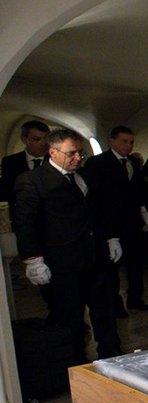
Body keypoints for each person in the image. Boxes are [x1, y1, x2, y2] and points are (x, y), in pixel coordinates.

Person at [13, 128, 123, 361]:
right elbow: (25, 224)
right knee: (70, 317)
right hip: (63, 263)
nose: (77, 158)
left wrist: (111, 237)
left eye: (80, 153)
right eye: (71, 153)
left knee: (105, 310)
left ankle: (112, 356)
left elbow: (101, 211)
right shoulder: (33, 181)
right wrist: (33, 260)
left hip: (96, 257)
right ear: (52, 152)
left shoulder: (87, 176)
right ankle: (76, 365)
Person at [85, 126, 148, 313]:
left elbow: (138, 190)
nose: (128, 145)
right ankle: (114, 304)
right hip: (111, 224)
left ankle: (135, 298)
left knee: (135, 264)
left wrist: (144, 211)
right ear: (111, 141)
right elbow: (98, 198)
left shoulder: (132, 162)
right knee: (112, 267)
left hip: (132, 223)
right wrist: (108, 231)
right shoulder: (97, 163)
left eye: (131, 142)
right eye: (124, 141)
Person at [0, 120, 50, 205]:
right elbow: (6, 191)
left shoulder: (56, 161)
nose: (43, 144)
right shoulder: (10, 162)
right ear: (24, 139)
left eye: (46, 139)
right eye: (37, 139)